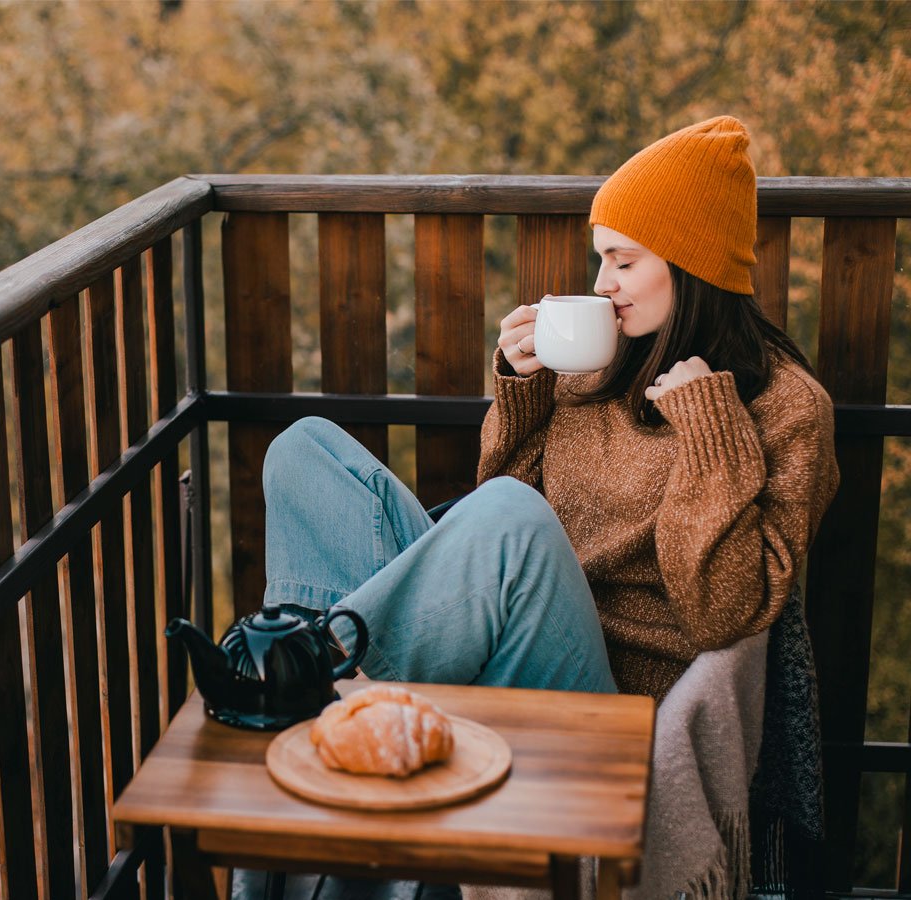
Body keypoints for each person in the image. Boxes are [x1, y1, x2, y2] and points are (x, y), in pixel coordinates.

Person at [261, 116, 840, 703]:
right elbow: (491, 521)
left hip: (612, 693)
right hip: (502, 634)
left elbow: (721, 616)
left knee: (513, 511)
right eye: (602, 260)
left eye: (623, 260)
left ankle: (327, 689)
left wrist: (709, 426)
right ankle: (324, 668)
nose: (603, 282)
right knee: (304, 451)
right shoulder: (601, 362)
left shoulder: (788, 407)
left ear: (693, 263)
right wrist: (524, 391)